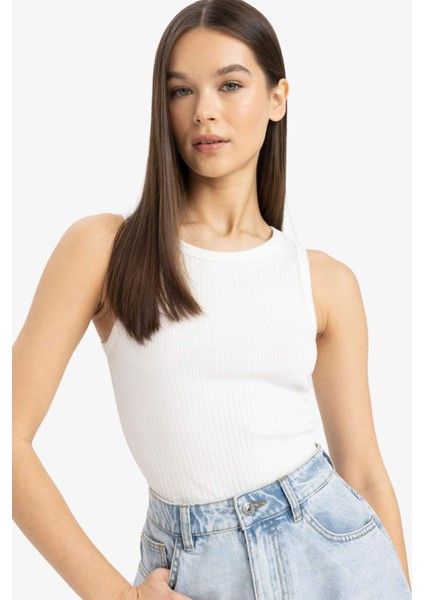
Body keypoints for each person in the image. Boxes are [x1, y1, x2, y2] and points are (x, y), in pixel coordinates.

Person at [13, 0, 412, 598]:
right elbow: (10, 437)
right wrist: (116, 595)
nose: (204, 110)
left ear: (277, 99)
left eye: (230, 84)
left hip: (337, 558)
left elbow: (364, 472)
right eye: (181, 91)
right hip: (194, 571)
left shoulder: (325, 282)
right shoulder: (107, 250)